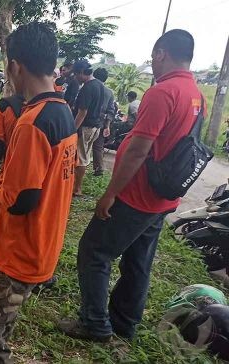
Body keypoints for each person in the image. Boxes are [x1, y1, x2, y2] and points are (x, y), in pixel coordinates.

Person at [58, 29, 204, 342]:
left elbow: (139, 148)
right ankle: (124, 323)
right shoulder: (195, 93)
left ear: (162, 53)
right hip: (162, 198)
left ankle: (94, 324)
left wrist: (110, 194)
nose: (152, 63)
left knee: (94, 251)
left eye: (153, 56)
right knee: (138, 261)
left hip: (137, 196)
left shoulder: (162, 92)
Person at [0, 22, 77, 363]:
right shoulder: (62, 111)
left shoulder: (32, 123)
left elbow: (23, 199)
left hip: (17, 252)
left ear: (15, 66)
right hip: (41, 243)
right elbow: (31, 183)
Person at [72, 59, 106, 196]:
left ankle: (77, 189)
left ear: (81, 72)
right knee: (84, 156)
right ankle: (75, 186)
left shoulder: (87, 87)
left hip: (86, 127)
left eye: (76, 74)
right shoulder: (99, 84)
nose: (75, 77)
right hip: (95, 127)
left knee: (81, 158)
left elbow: (82, 111)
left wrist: (73, 129)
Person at [92, 68, 116, 176]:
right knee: (98, 146)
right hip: (101, 123)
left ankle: (78, 165)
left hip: (88, 122)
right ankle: (99, 168)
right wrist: (107, 126)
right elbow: (111, 110)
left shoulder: (90, 87)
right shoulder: (109, 92)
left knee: (81, 145)